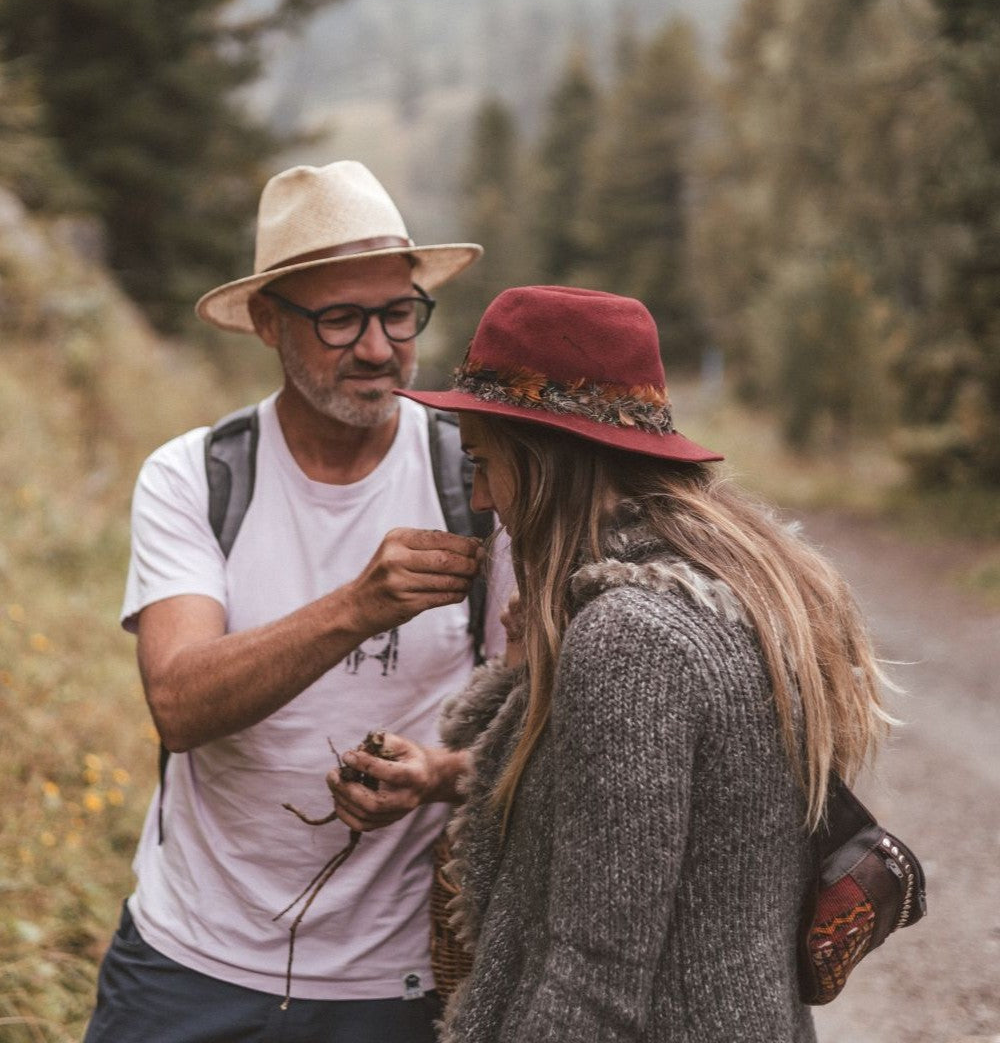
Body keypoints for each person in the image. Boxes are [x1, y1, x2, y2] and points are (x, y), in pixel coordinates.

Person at [335, 285, 891, 1043]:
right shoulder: (730, 587)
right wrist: (529, 670)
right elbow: (637, 815)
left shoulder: (630, 642)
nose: (480, 496)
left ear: (545, 461)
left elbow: (594, 977)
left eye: (486, 462)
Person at [83, 160, 510, 1043]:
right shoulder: (196, 476)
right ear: (271, 324)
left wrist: (436, 777)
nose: (379, 347)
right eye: (340, 318)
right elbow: (180, 704)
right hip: (187, 960)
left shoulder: (476, 476)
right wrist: (356, 606)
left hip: (400, 981)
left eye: (398, 313)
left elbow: (547, 732)